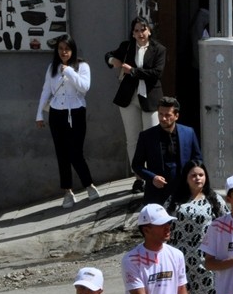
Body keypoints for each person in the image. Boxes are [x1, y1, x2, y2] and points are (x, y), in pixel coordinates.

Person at [36, 36, 100, 209]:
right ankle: (67, 191)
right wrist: (39, 114)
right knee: (62, 153)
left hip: (76, 112)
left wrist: (70, 72)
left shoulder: (82, 66)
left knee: (76, 152)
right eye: (61, 49)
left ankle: (89, 185)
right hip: (57, 114)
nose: (64, 52)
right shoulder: (52, 68)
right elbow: (46, 91)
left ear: (73, 50)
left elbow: (84, 87)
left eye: (67, 49)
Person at [106, 16, 166, 193]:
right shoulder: (127, 46)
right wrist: (113, 61)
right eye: (137, 30)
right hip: (129, 98)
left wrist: (132, 71)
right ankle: (139, 177)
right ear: (132, 33)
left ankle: (154, 176)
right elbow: (108, 55)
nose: (140, 33)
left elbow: (156, 73)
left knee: (153, 138)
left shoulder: (159, 49)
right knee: (132, 139)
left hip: (150, 98)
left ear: (149, 30)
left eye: (143, 29)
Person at [164, 160, 224, 294]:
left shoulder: (214, 199)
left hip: (204, 260)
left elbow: (226, 226)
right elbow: (163, 225)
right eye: (193, 175)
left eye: (201, 175)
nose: (198, 178)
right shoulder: (174, 200)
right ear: (186, 178)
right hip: (178, 261)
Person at [131, 97, 203, 206]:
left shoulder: (189, 133)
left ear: (176, 116)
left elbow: (198, 160)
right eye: (160, 114)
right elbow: (136, 164)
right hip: (156, 193)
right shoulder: (146, 136)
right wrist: (152, 178)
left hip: (183, 191)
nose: (163, 118)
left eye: (168, 115)